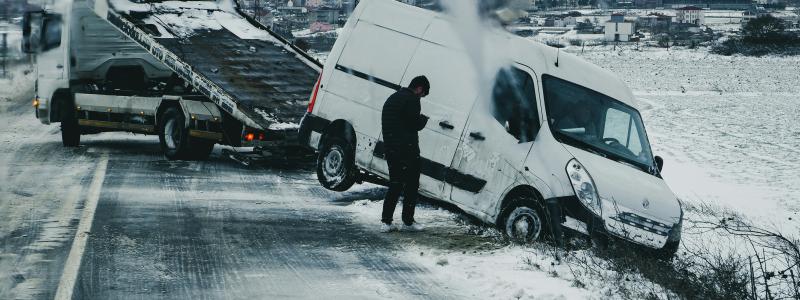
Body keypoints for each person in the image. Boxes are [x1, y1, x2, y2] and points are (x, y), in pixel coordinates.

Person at [380, 76, 430, 233]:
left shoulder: (393, 97)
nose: (421, 97)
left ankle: (386, 222)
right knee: (412, 185)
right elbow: (414, 123)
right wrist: (423, 119)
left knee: (395, 184)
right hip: (407, 150)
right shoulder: (412, 99)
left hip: (391, 149)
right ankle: (407, 222)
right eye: (423, 94)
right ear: (420, 89)